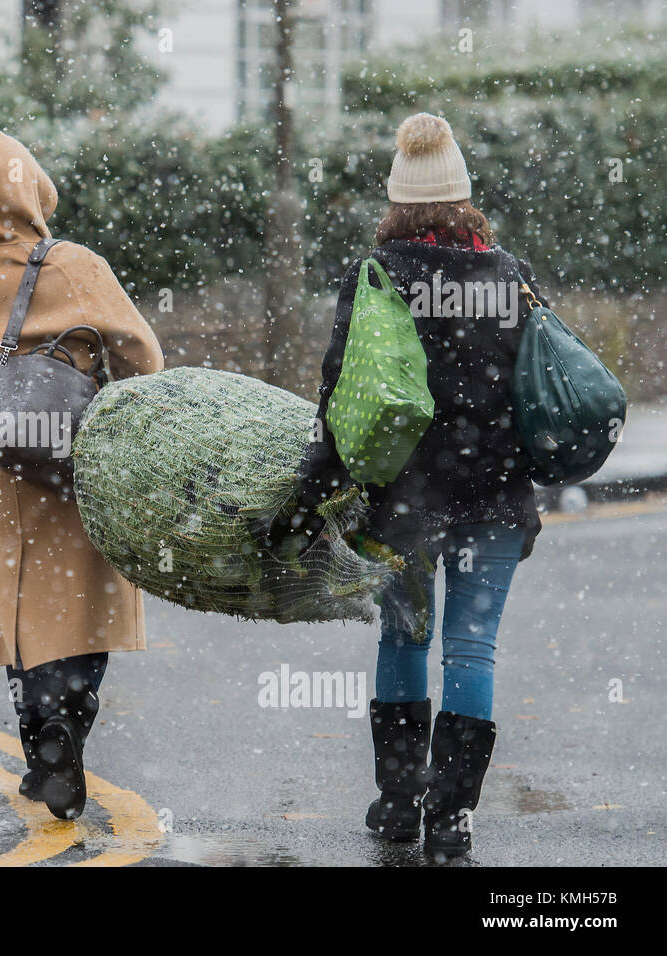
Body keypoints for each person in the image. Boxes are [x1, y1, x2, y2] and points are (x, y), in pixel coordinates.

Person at [297, 113, 545, 858]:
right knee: (472, 649)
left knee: (405, 638)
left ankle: (400, 803)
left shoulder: (377, 276)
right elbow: (536, 389)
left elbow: (342, 398)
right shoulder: (512, 279)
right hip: (496, 494)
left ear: (398, 201)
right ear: (464, 198)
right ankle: (454, 817)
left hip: (405, 503)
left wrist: (310, 490)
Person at [0, 128, 164, 820]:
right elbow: (145, 355)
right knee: (83, 599)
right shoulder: (71, 265)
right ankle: (69, 725)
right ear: (31, 188)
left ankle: (40, 745)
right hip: (70, 437)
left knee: (16, 599)